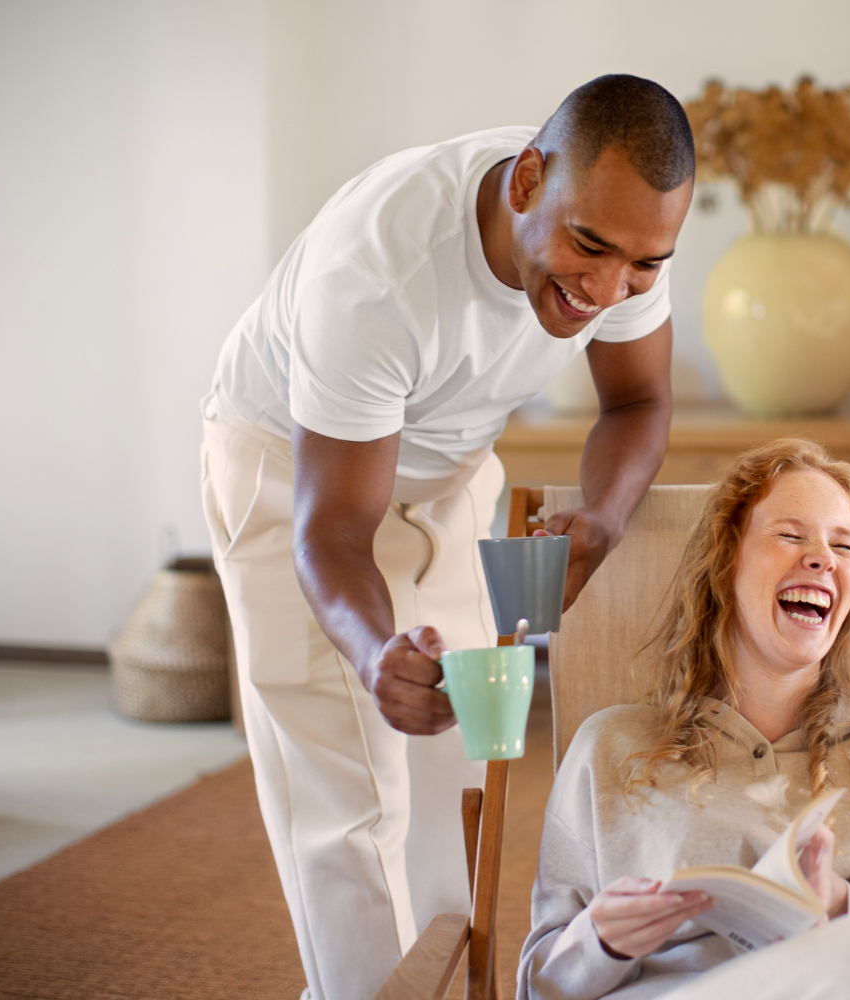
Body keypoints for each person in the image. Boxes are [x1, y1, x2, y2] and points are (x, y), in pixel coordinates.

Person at [198, 75, 694, 1000]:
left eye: (644, 266)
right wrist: (373, 648)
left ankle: (430, 985)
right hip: (296, 474)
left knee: (458, 766)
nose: (607, 288)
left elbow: (640, 400)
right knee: (354, 795)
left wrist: (603, 516)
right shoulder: (377, 271)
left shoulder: (620, 230)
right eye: (588, 250)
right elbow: (333, 529)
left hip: (454, 469)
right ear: (525, 182)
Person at [518, 439, 850, 1000]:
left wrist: (839, 908)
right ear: (725, 560)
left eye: (843, 545)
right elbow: (539, 987)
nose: (822, 558)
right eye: (790, 535)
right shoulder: (610, 745)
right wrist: (599, 940)